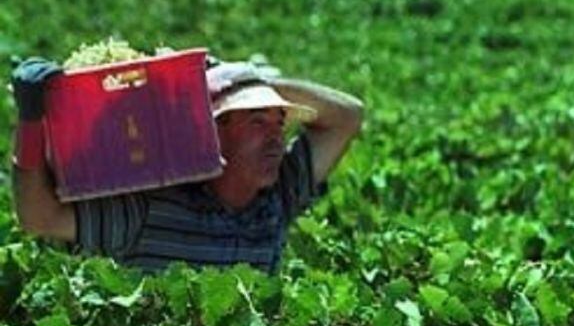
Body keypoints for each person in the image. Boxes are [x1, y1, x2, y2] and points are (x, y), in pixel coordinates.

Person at [9, 57, 362, 272]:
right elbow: (39, 218)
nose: (275, 138)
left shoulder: (277, 196)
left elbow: (349, 115)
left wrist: (259, 83)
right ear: (215, 132)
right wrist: (30, 122)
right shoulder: (151, 209)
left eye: (279, 122)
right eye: (257, 121)